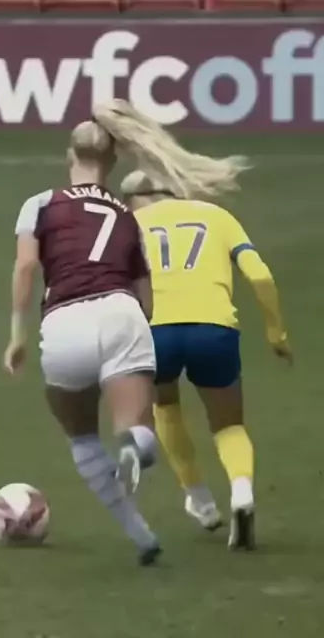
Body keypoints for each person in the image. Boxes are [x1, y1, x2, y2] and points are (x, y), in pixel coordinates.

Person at [93, 99, 292, 551]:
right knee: (229, 425)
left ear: (137, 199)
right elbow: (260, 275)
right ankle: (241, 492)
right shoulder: (216, 216)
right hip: (214, 329)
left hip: (155, 332)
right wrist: (276, 332)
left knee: (166, 409)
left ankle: (199, 499)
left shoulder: (128, 224)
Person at [3, 119, 161, 565]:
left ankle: (141, 535)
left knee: (82, 436)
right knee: (137, 427)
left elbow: (26, 267)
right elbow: (147, 298)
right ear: (112, 161)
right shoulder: (127, 216)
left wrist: (17, 334)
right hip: (121, 312)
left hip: (65, 321)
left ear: (70, 155)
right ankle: (136, 446)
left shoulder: (40, 204)